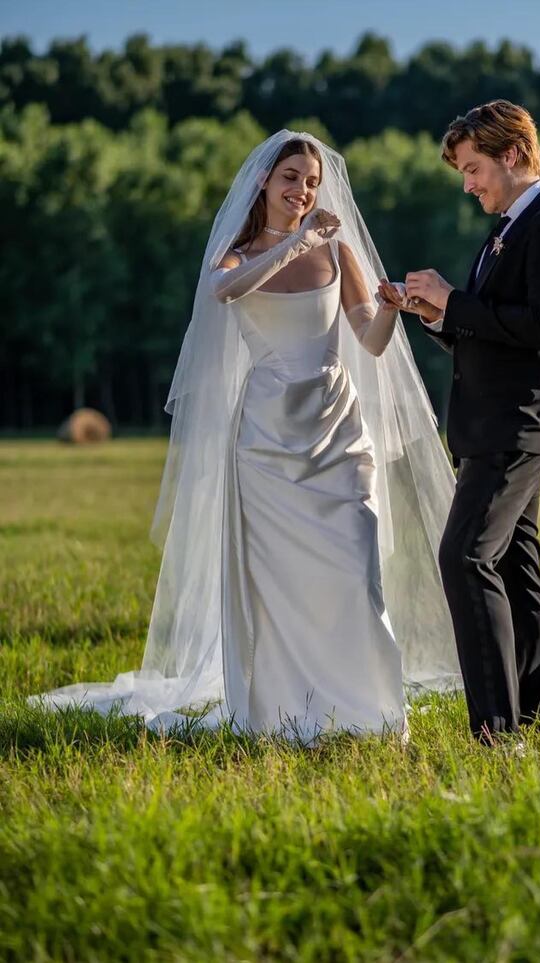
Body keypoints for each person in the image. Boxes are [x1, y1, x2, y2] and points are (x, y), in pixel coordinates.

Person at [30, 131, 461, 742]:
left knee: (355, 566)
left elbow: (367, 335)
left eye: (311, 182)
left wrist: (392, 306)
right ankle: (284, 711)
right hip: (265, 434)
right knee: (276, 580)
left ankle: (369, 710)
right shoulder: (239, 254)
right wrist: (295, 245)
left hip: (337, 426)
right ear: (264, 180)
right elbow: (223, 288)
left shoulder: (337, 252)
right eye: (291, 178)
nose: (303, 191)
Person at [382, 101, 540, 745]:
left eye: (474, 168)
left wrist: (457, 301)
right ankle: (534, 715)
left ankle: (498, 733)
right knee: (513, 564)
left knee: (465, 555)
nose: (468, 183)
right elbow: (489, 333)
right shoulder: (504, 230)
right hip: (490, 426)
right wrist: (437, 314)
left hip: (519, 425)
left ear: (512, 155)